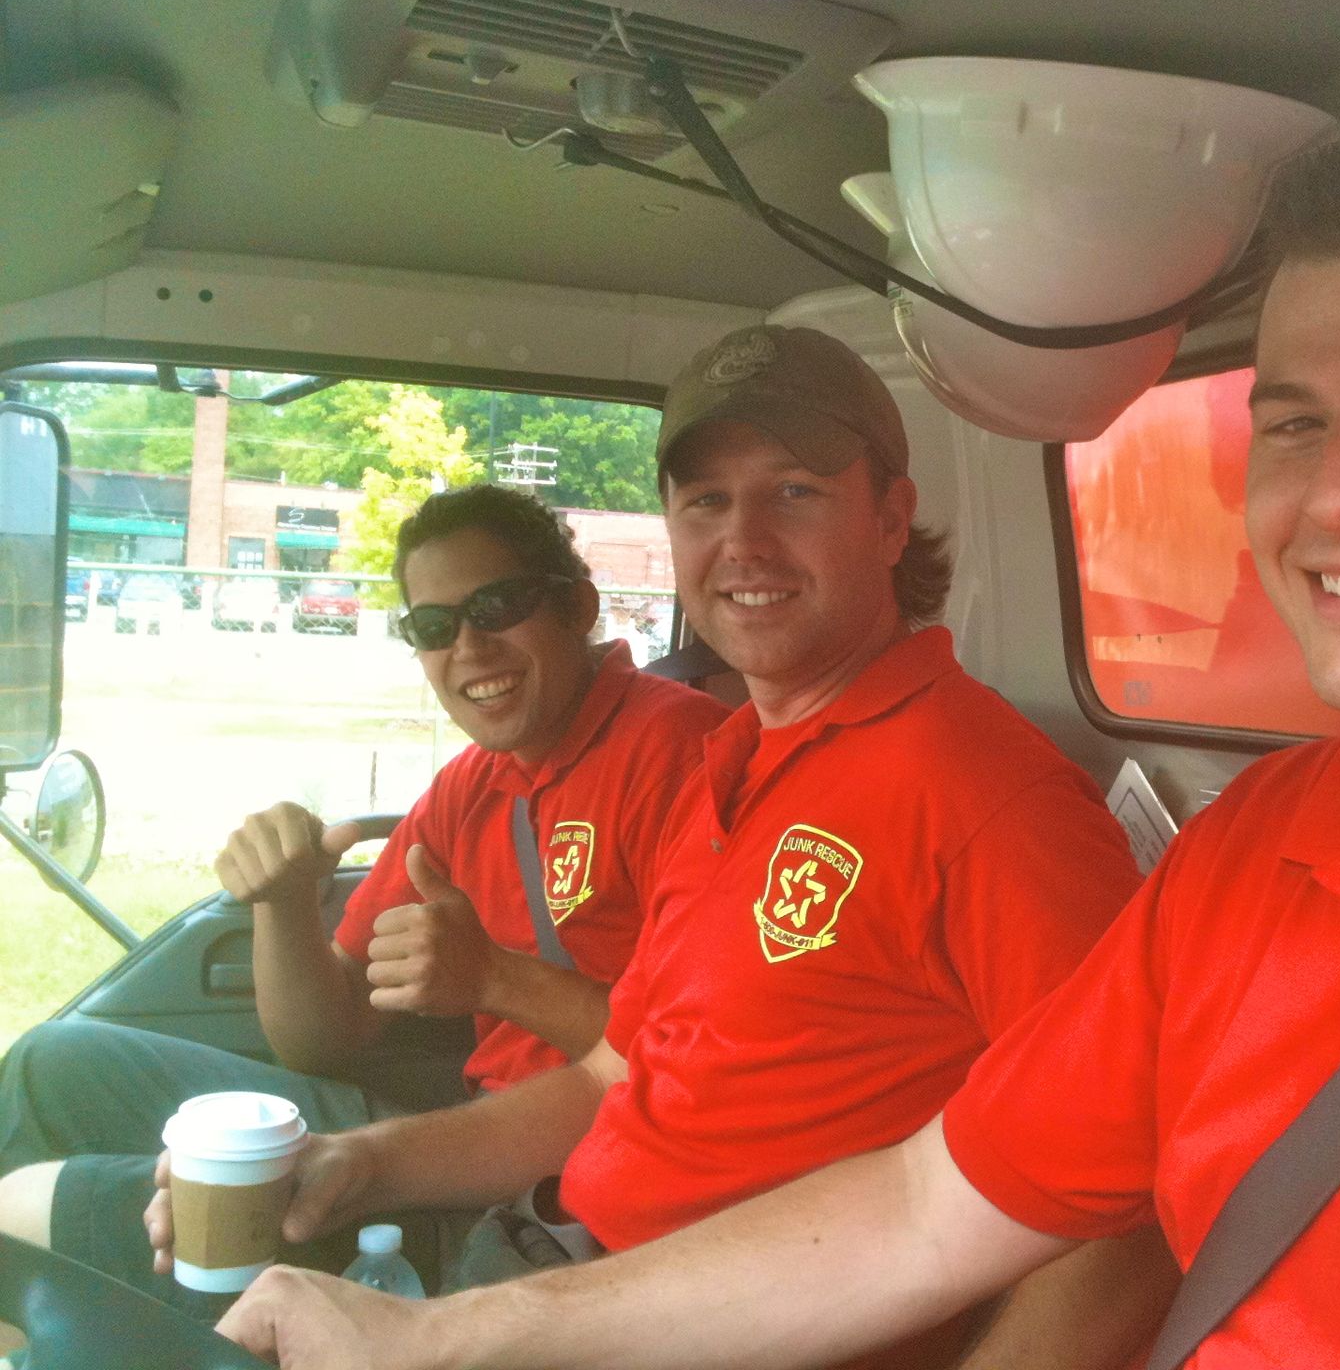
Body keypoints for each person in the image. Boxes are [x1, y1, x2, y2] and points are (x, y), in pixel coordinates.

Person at [215, 117, 1340, 1370]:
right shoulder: (1265, 845)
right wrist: (444, 1341)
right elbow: (923, 1213)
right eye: (1295, 419)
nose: (1338, 493)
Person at [156, 326, 1167, 1365]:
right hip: (559, 1263)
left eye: (795, 492)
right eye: (706, 503)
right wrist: (358, 1165)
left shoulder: (990, 798)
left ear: (892, 517)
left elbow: (1122, 1215)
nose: (746, 544)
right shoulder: (733, 766)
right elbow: (608, 1076)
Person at [0, 483, 728, 1302]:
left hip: (556, 1196)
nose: (470, 646)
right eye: (433, 626)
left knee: (30, 1211)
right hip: (468, 1128)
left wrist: (494, 979)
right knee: (47, 1064)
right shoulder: (469, 787)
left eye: (497, 606)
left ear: (578, 607)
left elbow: (686, 1068)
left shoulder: (684, 755)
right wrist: (283, 905)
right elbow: (324, 1038)